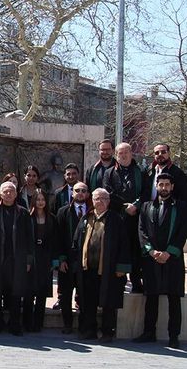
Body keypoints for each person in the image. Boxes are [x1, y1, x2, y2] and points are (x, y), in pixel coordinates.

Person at [133, 173, 187, 349]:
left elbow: (183, 231)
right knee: (151, 297)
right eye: (161, 184)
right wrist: (151, 251)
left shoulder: (181, 207)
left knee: (174, 299)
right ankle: (149, 332)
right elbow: (141, 231)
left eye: (167, 184)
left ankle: (174, 335)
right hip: (152, 259)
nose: (164, 188)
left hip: (172, 259)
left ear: (172, 186)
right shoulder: (146, 206)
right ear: (156, 186)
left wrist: (169, 252)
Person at [74, 188, 130, 343]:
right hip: (88, 269)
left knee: (108, 302)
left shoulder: (116, 219)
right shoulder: (86, 218)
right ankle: (89, 330)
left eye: (104, 199)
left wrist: (122, 268)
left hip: (109, 270)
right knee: (88, 301)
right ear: (92, 200)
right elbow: (76, 241)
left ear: (109, 201)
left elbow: (124, 245)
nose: (101, 202)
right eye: (98, 198)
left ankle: (107, 332)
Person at [0, 181, 32, 336]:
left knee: (15, 293)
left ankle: (14, 325)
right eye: (5, 191)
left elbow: (29, 238)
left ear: (16, 193)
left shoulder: (23, 213)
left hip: (17, 260)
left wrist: (28, 260)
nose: (8, 194)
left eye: (11, 191)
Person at [103, 142, 144, 293]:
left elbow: (145, 192)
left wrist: (136, 205)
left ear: (131, 153)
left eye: (127, 152)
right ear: (116, 155)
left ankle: (136, 281)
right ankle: (119, 281)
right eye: (120, 153)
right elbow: (108, 192)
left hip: (136, 217)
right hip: (118, 216)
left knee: (135, 249)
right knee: (117, 248)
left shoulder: (140, 171)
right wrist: (124, 206)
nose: (124, 155)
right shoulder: (109, 173)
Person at [55, 181, 91, 334]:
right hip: (68, 261)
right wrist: (61, 259)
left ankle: (84, 325)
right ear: (72, 193)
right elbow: (58, 237)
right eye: (77, 190)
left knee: (84, 295)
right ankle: (67, 324)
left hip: (86, 262)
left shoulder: (92, 212)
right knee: (65, 294)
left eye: (84, 190)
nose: (81, 193)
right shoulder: (63, 212)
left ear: (88, 194)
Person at [23, 188, 57, 333]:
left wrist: (54, 261)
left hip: (45, 257)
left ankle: (38, 323)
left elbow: (56, 241)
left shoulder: (52, 218)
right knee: (29, 292)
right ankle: (27, 322)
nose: (40, 202)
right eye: (38, 199)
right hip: (31, 256)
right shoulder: (27, 217)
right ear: (33, 201)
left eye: (43, 199)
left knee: (42, 292)